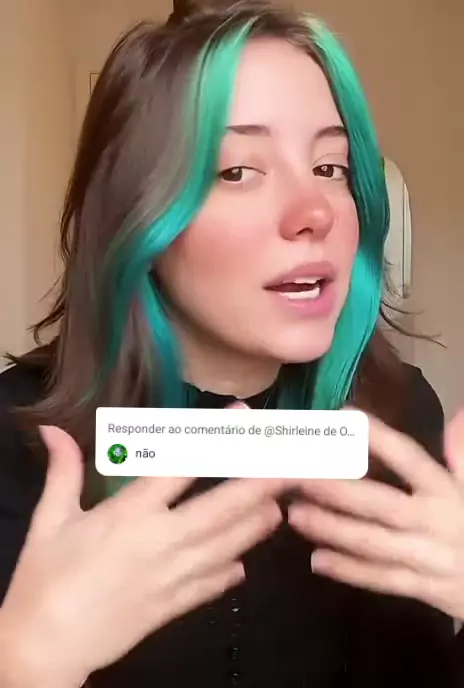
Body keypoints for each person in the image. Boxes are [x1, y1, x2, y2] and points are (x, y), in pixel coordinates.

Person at [0, 0, 459, 685]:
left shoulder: (401, 418)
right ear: (138, 213)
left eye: (331, 168)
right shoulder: (14, 441)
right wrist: (23, 662)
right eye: (238, 171)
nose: (314, 212)